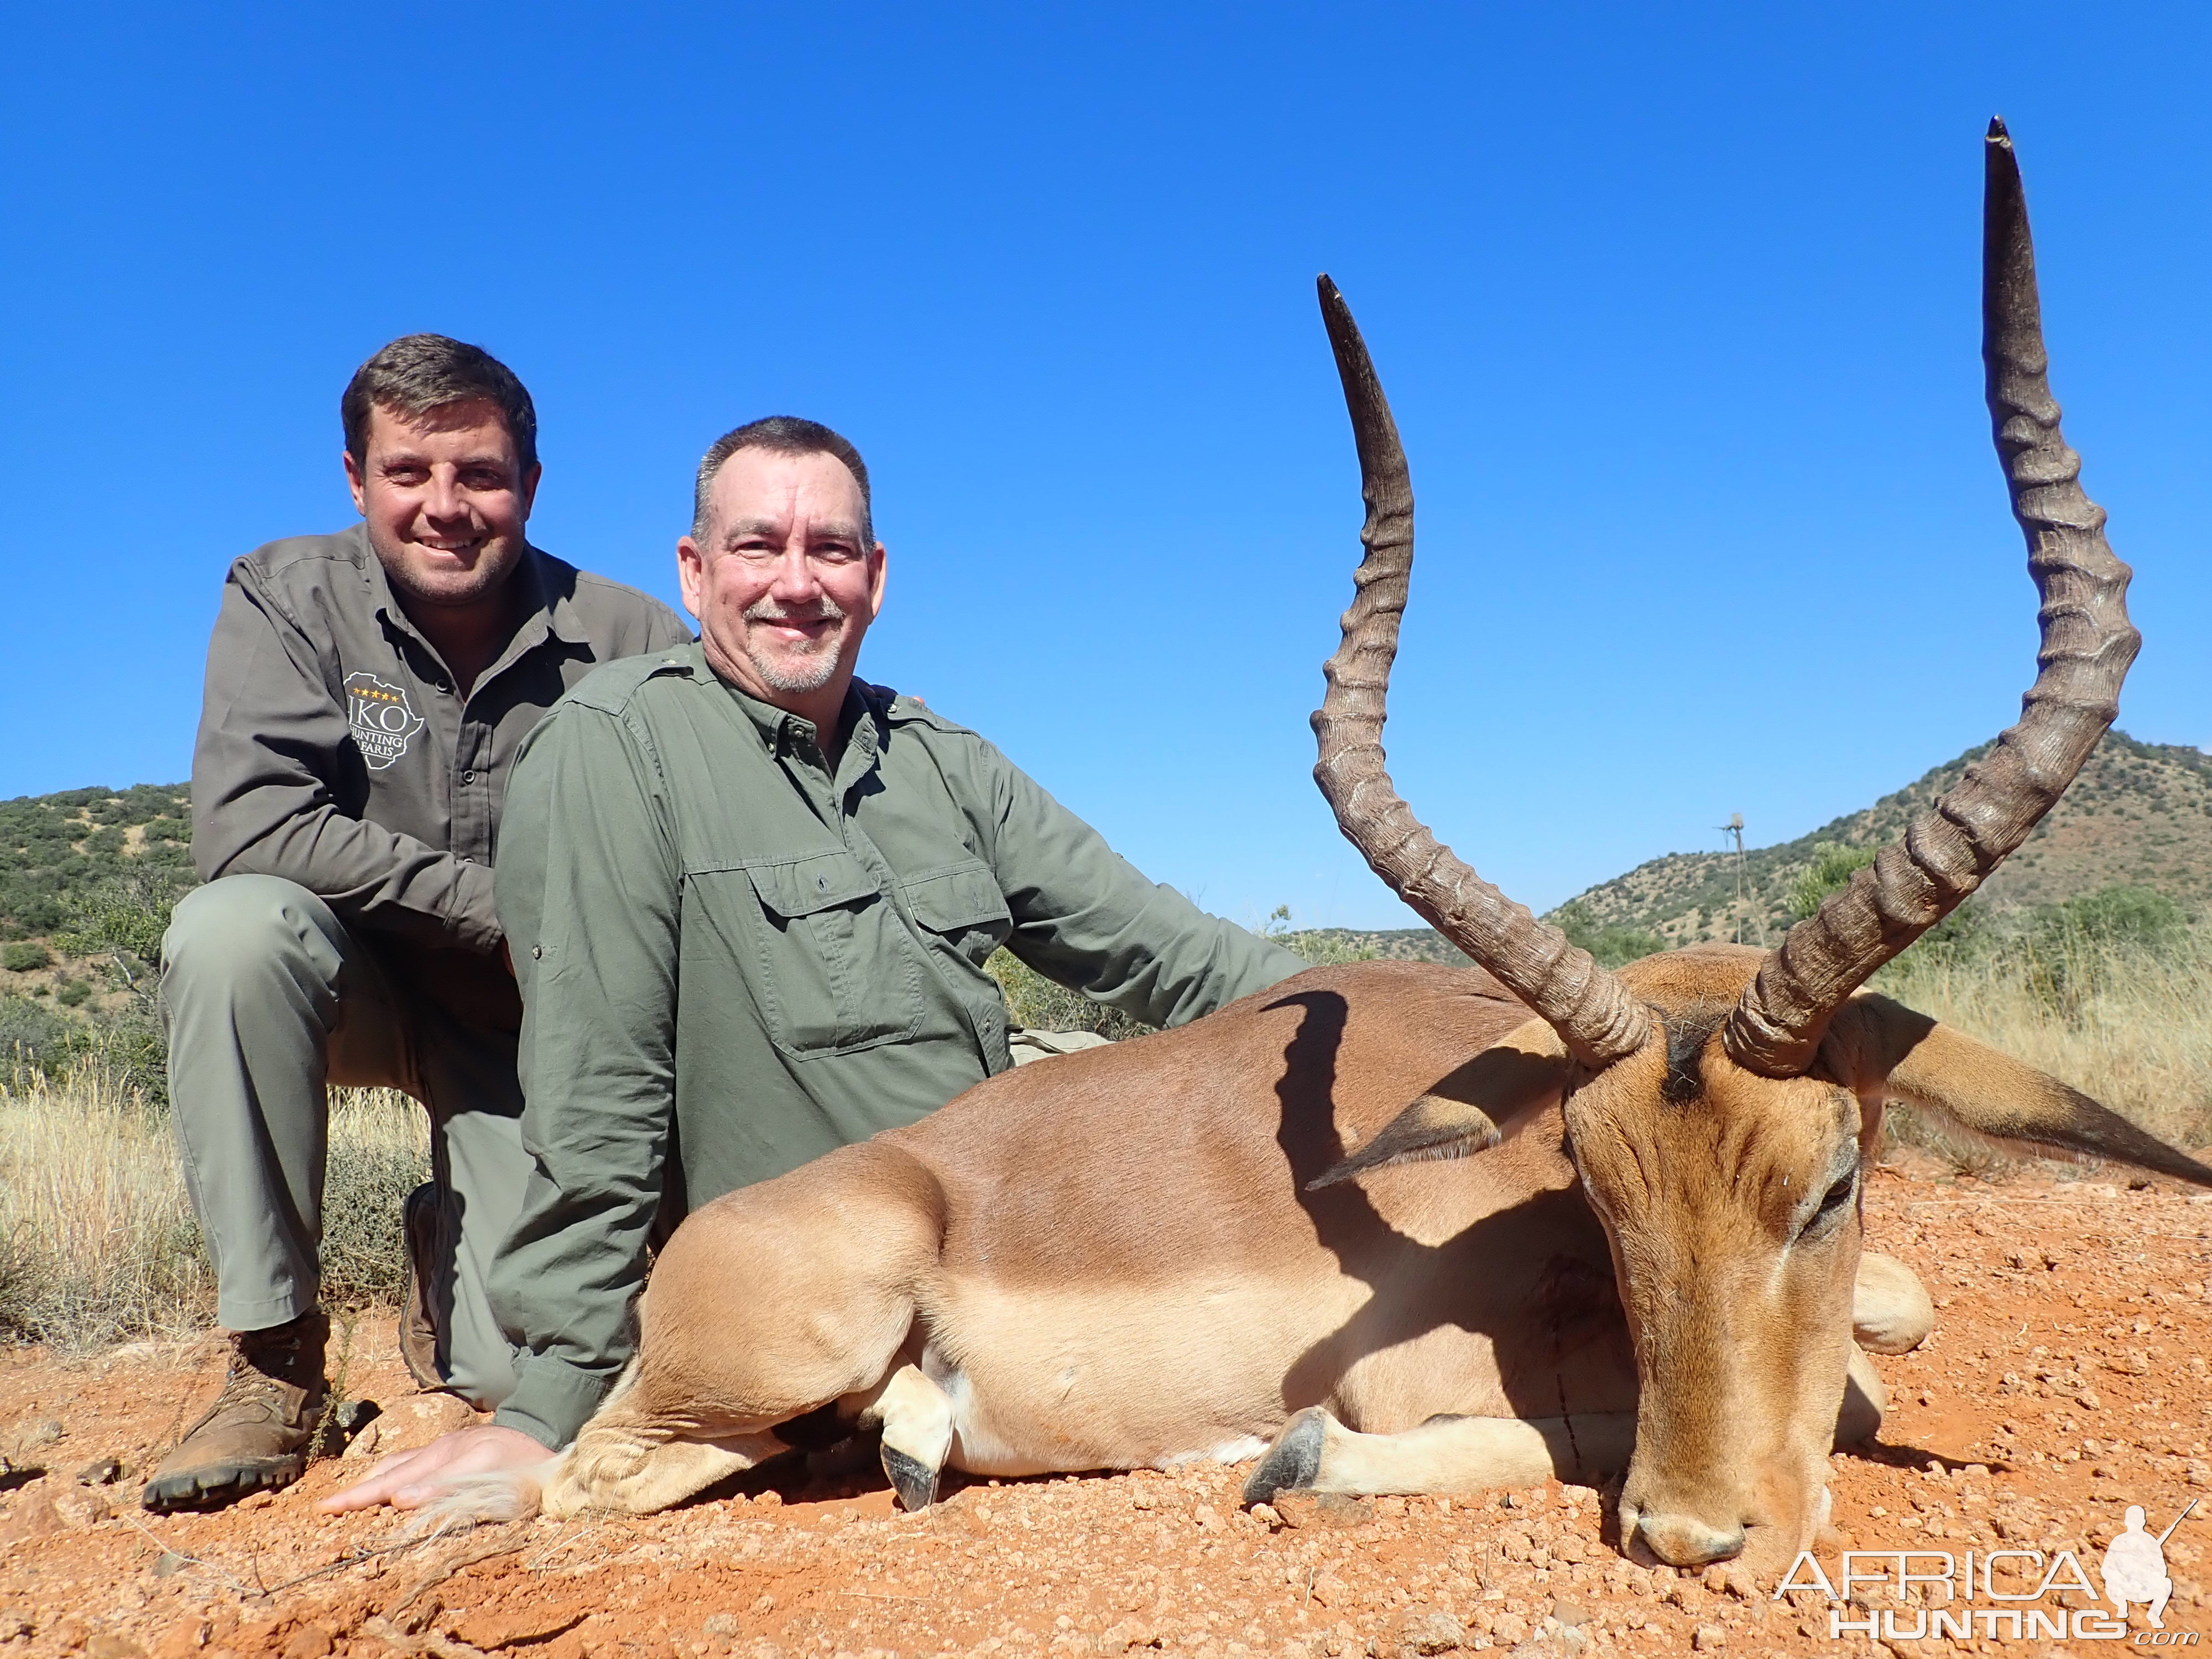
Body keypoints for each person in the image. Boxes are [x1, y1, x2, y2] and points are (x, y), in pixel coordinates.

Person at [325, 416, 1306, 1510]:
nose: (797, 584)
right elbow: (600, 1083)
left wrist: (1422, 1015)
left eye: (830, 550)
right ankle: (468, 1282)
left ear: (875, 577)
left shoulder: (944, 763)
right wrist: (552, 1402)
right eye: (757, 548)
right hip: (809, 1262)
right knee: (543, 1362)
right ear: (693, 575)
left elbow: (1168, 953)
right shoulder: (613, 746)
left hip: (976, 1223)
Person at [142, 336, 692, 1514]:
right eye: (409, 473)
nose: (446, 507)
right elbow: (247, 827)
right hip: (358, 984)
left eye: (481, 475)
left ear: (530, 486)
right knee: (231, 934)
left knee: (508, 1373)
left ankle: (445, 1249)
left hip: (536, 1030)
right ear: (356, 478)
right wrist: (505, 909)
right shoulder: (282, 593)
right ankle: (274, 1361)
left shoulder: (634, 637)